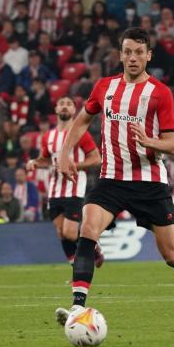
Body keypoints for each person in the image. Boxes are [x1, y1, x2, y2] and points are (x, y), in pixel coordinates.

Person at [54, 28, 174, 329]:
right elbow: (82, 120)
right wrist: (66, 153)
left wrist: (150, 142)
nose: (133, 58)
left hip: (150, 183)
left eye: (139, 52)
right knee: (87, 231)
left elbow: (171, 145)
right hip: (111, 179)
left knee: (172, 255)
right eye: (127, 52)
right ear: (120, 55)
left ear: (149, 55)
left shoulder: (160, 93)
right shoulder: (105, 87)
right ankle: (77, 308)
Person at [27, 96, 104, 266]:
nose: (64, 107)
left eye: (69, 104)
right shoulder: (48, 136)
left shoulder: (80, 133)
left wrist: (75, 165)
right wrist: (34, 163)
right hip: (54, 189)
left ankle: (93, 244)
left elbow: (96, 159)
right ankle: (76, 268)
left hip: (74, 188)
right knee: (61, 233)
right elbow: (46, 159)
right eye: (61, 104)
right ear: (55, 110)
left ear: (74, 111)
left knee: (70, 233)